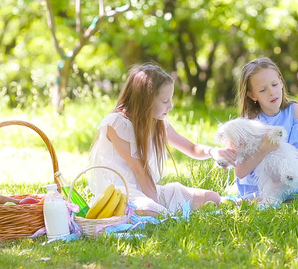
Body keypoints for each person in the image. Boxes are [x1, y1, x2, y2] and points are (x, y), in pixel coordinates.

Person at [88, 63, 237, 216]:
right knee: (150, 210)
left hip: (147, 191)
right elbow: (140, 170)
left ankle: (159, 210)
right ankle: (158, 212)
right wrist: (159, 208)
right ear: (145, 101)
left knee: (212, 198)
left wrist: (214, 152)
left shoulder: (157, 123)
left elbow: (191, 149)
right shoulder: (117, 123)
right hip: (121, 196)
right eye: (165, 101)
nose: (171, 106)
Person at [234, 57, 298, 202]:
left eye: (275, 84)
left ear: (281, 82)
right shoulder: (250, 123)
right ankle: (270, 199)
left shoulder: (293, 110)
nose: (271, 92)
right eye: (263, 90)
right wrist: (264, 149)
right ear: (252, 95)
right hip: (262, 181)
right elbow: (240, 172)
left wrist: (284, 178)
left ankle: (275, 200)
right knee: (269, 191)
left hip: (292, 171)